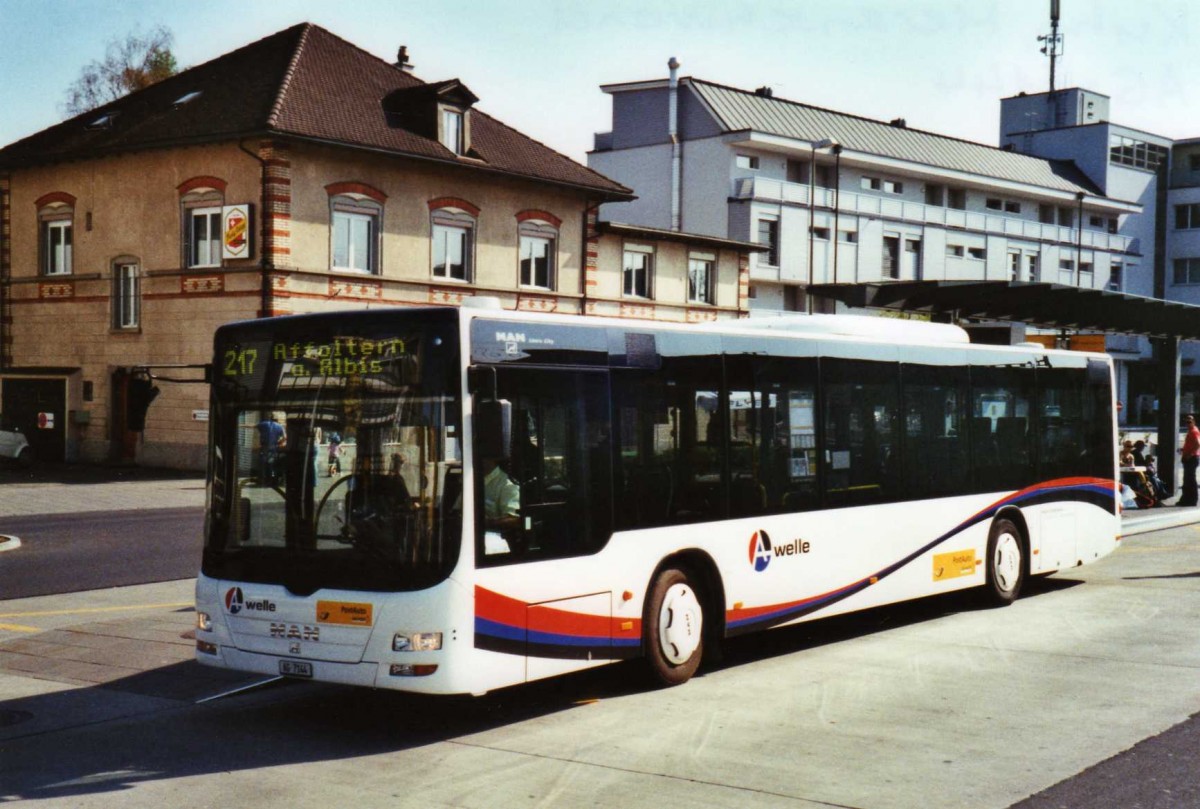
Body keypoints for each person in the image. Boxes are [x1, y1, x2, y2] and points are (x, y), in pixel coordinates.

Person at [256, 416, 285, 485]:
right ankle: (270, 480)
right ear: (277, 420)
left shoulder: (263, 424)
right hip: (273, 447)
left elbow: (254, 427)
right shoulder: (280, 426)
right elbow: (285, 437)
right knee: (271, 464)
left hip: (264, 446)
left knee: (263, 463)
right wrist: (279, 443)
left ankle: (263, 479)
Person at [1179, 414, 1200, 507]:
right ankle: (1186, 499)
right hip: (1188, 457)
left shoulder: (1194, 431)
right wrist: (1183, 450)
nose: (1187, 424)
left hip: (1191, 458)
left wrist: (1190, 454)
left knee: (1190, 480)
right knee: (1187, 479)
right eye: (1186, 422)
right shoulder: (1191, 431)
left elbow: (1198, 444)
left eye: (1189, 422)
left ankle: (1191, 500)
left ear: (1193, 422)